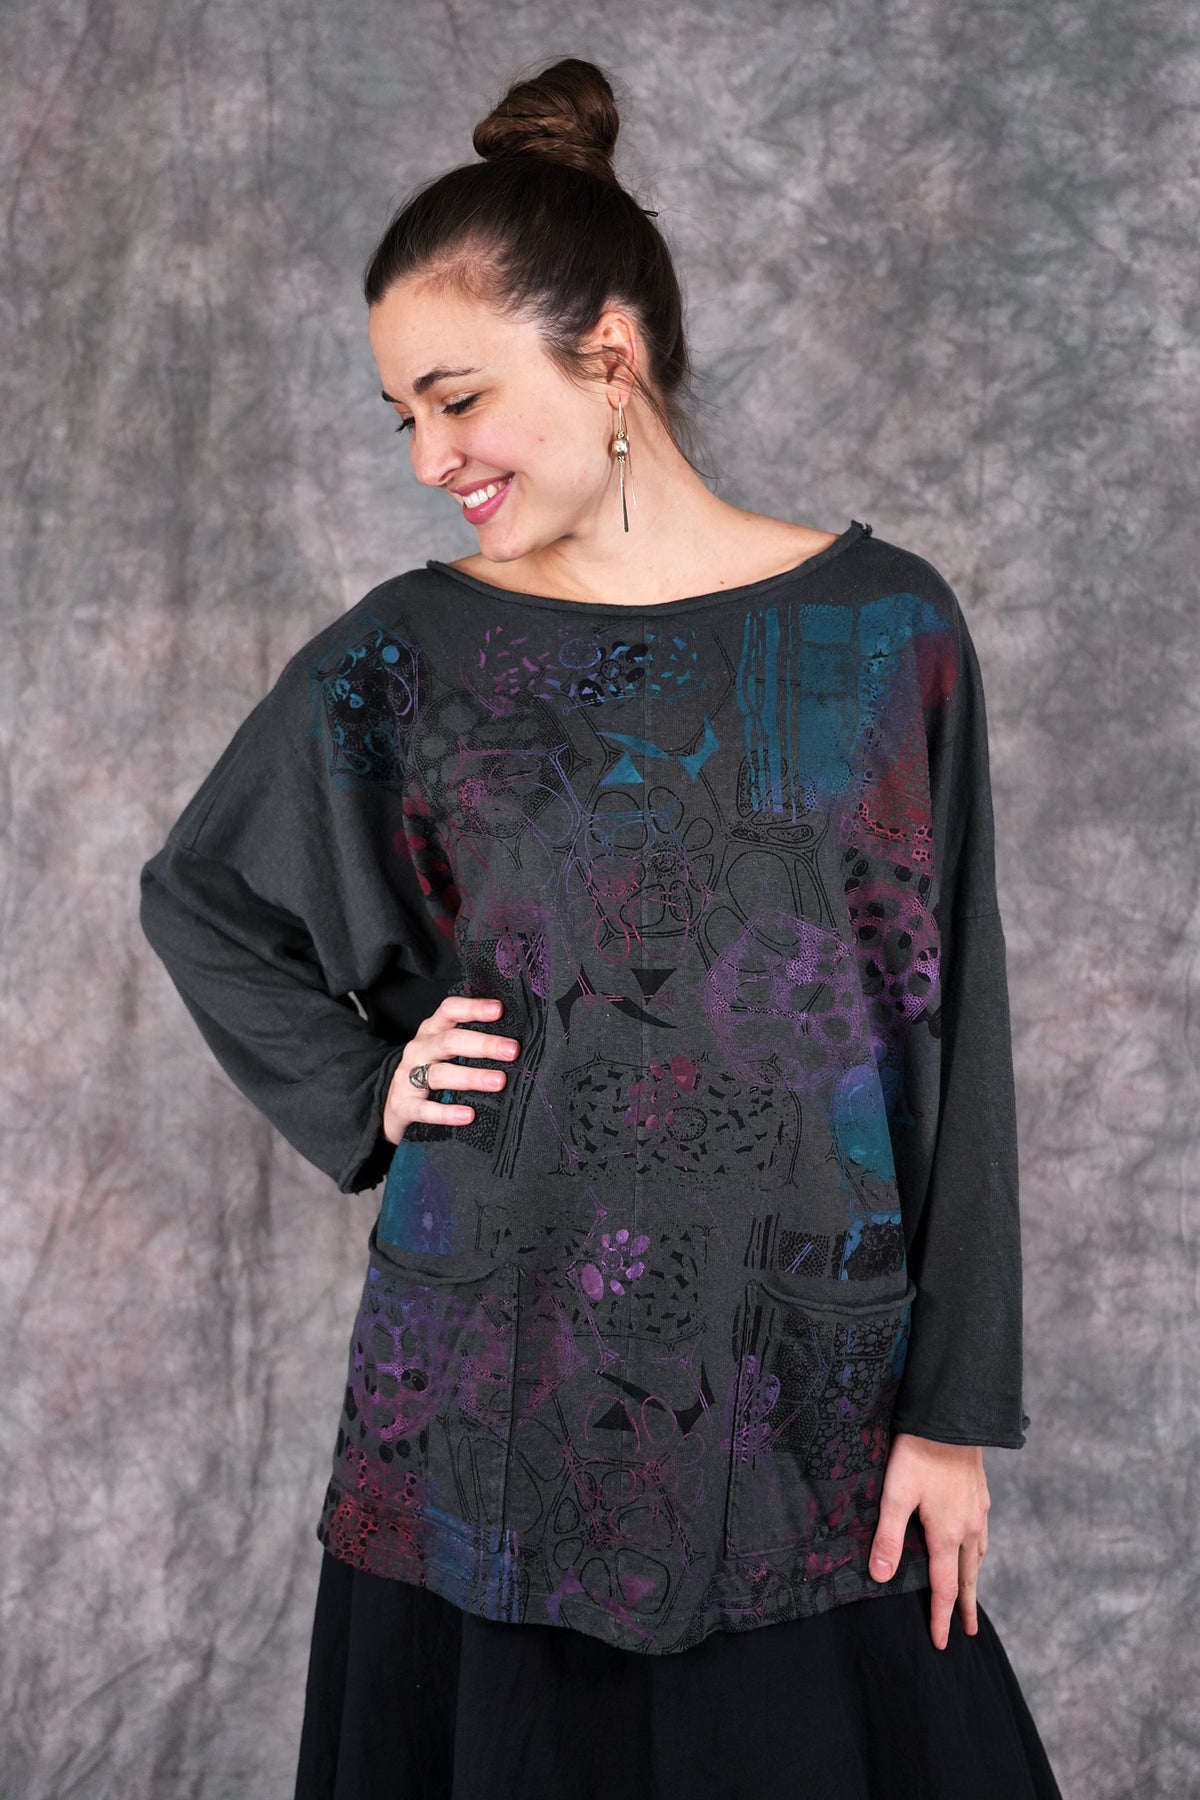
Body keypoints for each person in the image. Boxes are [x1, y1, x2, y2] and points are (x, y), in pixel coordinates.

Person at [139, 55, 1062, 1800]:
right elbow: (206, 894)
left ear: (612, 354)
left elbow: (960, 1033)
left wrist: (951, 1412)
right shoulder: (413, 652)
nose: (431, 458)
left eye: (458, 399)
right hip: (488, 1392)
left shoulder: (889, 633)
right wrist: (368, 1085)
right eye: (402, 419)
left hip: (805, 1393)